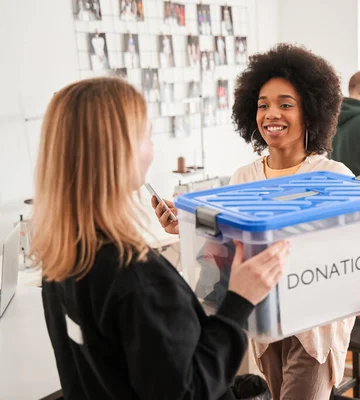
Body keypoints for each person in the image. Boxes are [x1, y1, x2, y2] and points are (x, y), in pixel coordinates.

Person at [30, 77, 290, 400]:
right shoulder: (137, 280)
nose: (153, 151)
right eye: (146, 137)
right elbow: (186, 391)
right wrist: (239, 301)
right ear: (116, 152)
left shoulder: (62, 259)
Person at [153, 44, 354, 399]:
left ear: (309, 113)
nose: (271, 114)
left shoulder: (333, 176)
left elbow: (346, 258)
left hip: (313, 328)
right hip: (263, 321)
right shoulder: (243, 177)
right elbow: (224, 248)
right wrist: (186, 227)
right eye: (263, 105)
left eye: (285, 104)